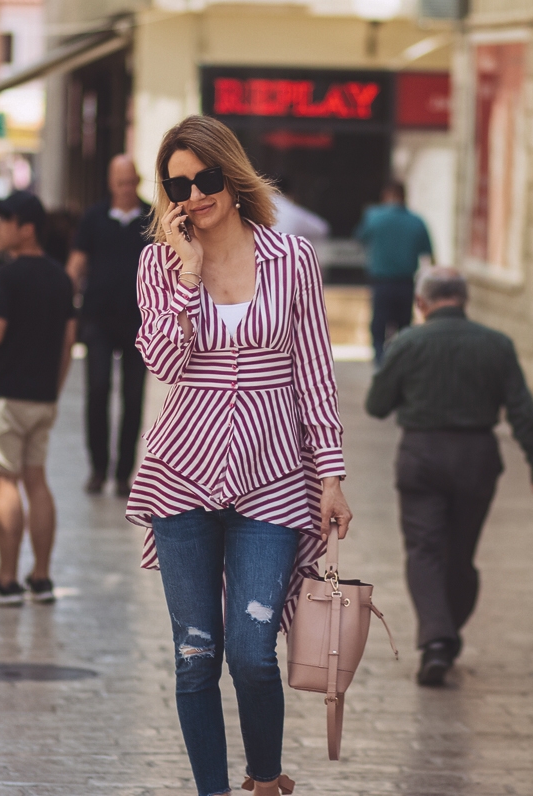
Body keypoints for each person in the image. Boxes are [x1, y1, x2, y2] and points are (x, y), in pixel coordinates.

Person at [125, 115, 353, 796]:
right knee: (196, 654)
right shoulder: (158, 265)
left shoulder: (292, 258)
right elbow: (164, 362)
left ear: (231, 174)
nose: (195, 195)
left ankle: (264, 778)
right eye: (178, 186)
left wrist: (331, 475)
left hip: (273, 478)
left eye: (206, 179)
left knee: (253, 654)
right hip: (182, 478)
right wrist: (189, 274)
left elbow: (315, 370)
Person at [364, 267, 533, 687]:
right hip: (477, 459)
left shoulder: (407, 343)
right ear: (465, 301)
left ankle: (437, 639)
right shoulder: (497, 345)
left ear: (421, 303)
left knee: (424, 550)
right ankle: (446, 635)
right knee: (461, 555)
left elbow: (377, 405)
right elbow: (522, 409)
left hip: (421, 456)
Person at [0, 191, 77, 606]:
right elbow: (68, 341)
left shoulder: (6, 277)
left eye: (5, 219)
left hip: (7, 396)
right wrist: (54, 389)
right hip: (43, 397)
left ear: (27, 229)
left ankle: (6, 581)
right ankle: (41, 578)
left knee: (5, 482)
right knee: (37, 481)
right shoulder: (61, 278)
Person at [67, 155, 151, 496]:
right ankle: (98, 469)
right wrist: (65, 303)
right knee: (97, 390)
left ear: (138, 181)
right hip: (98, 319)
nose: (126, 188)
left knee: (133, 398)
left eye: (130, 182)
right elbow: (77, 263)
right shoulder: (94, 218)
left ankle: (123, 474)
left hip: (139, 323)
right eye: (120, 182)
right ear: (111, 183)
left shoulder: (152, 218)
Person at [354, 182, 433, 364]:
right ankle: (402, 359)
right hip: (406, 282)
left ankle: (380, 361)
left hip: (382, 281)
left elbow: (360, 238)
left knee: (379, 323)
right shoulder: (417, 221)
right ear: (404, 196)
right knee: (404, 324)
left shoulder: (374, 217)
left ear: (386, 195)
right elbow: (428, 254)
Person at [271, 175, 329, 251]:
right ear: (291, 194)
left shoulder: (261, 208)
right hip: (287, 254)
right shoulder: (292, 210)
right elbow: (322, 228)